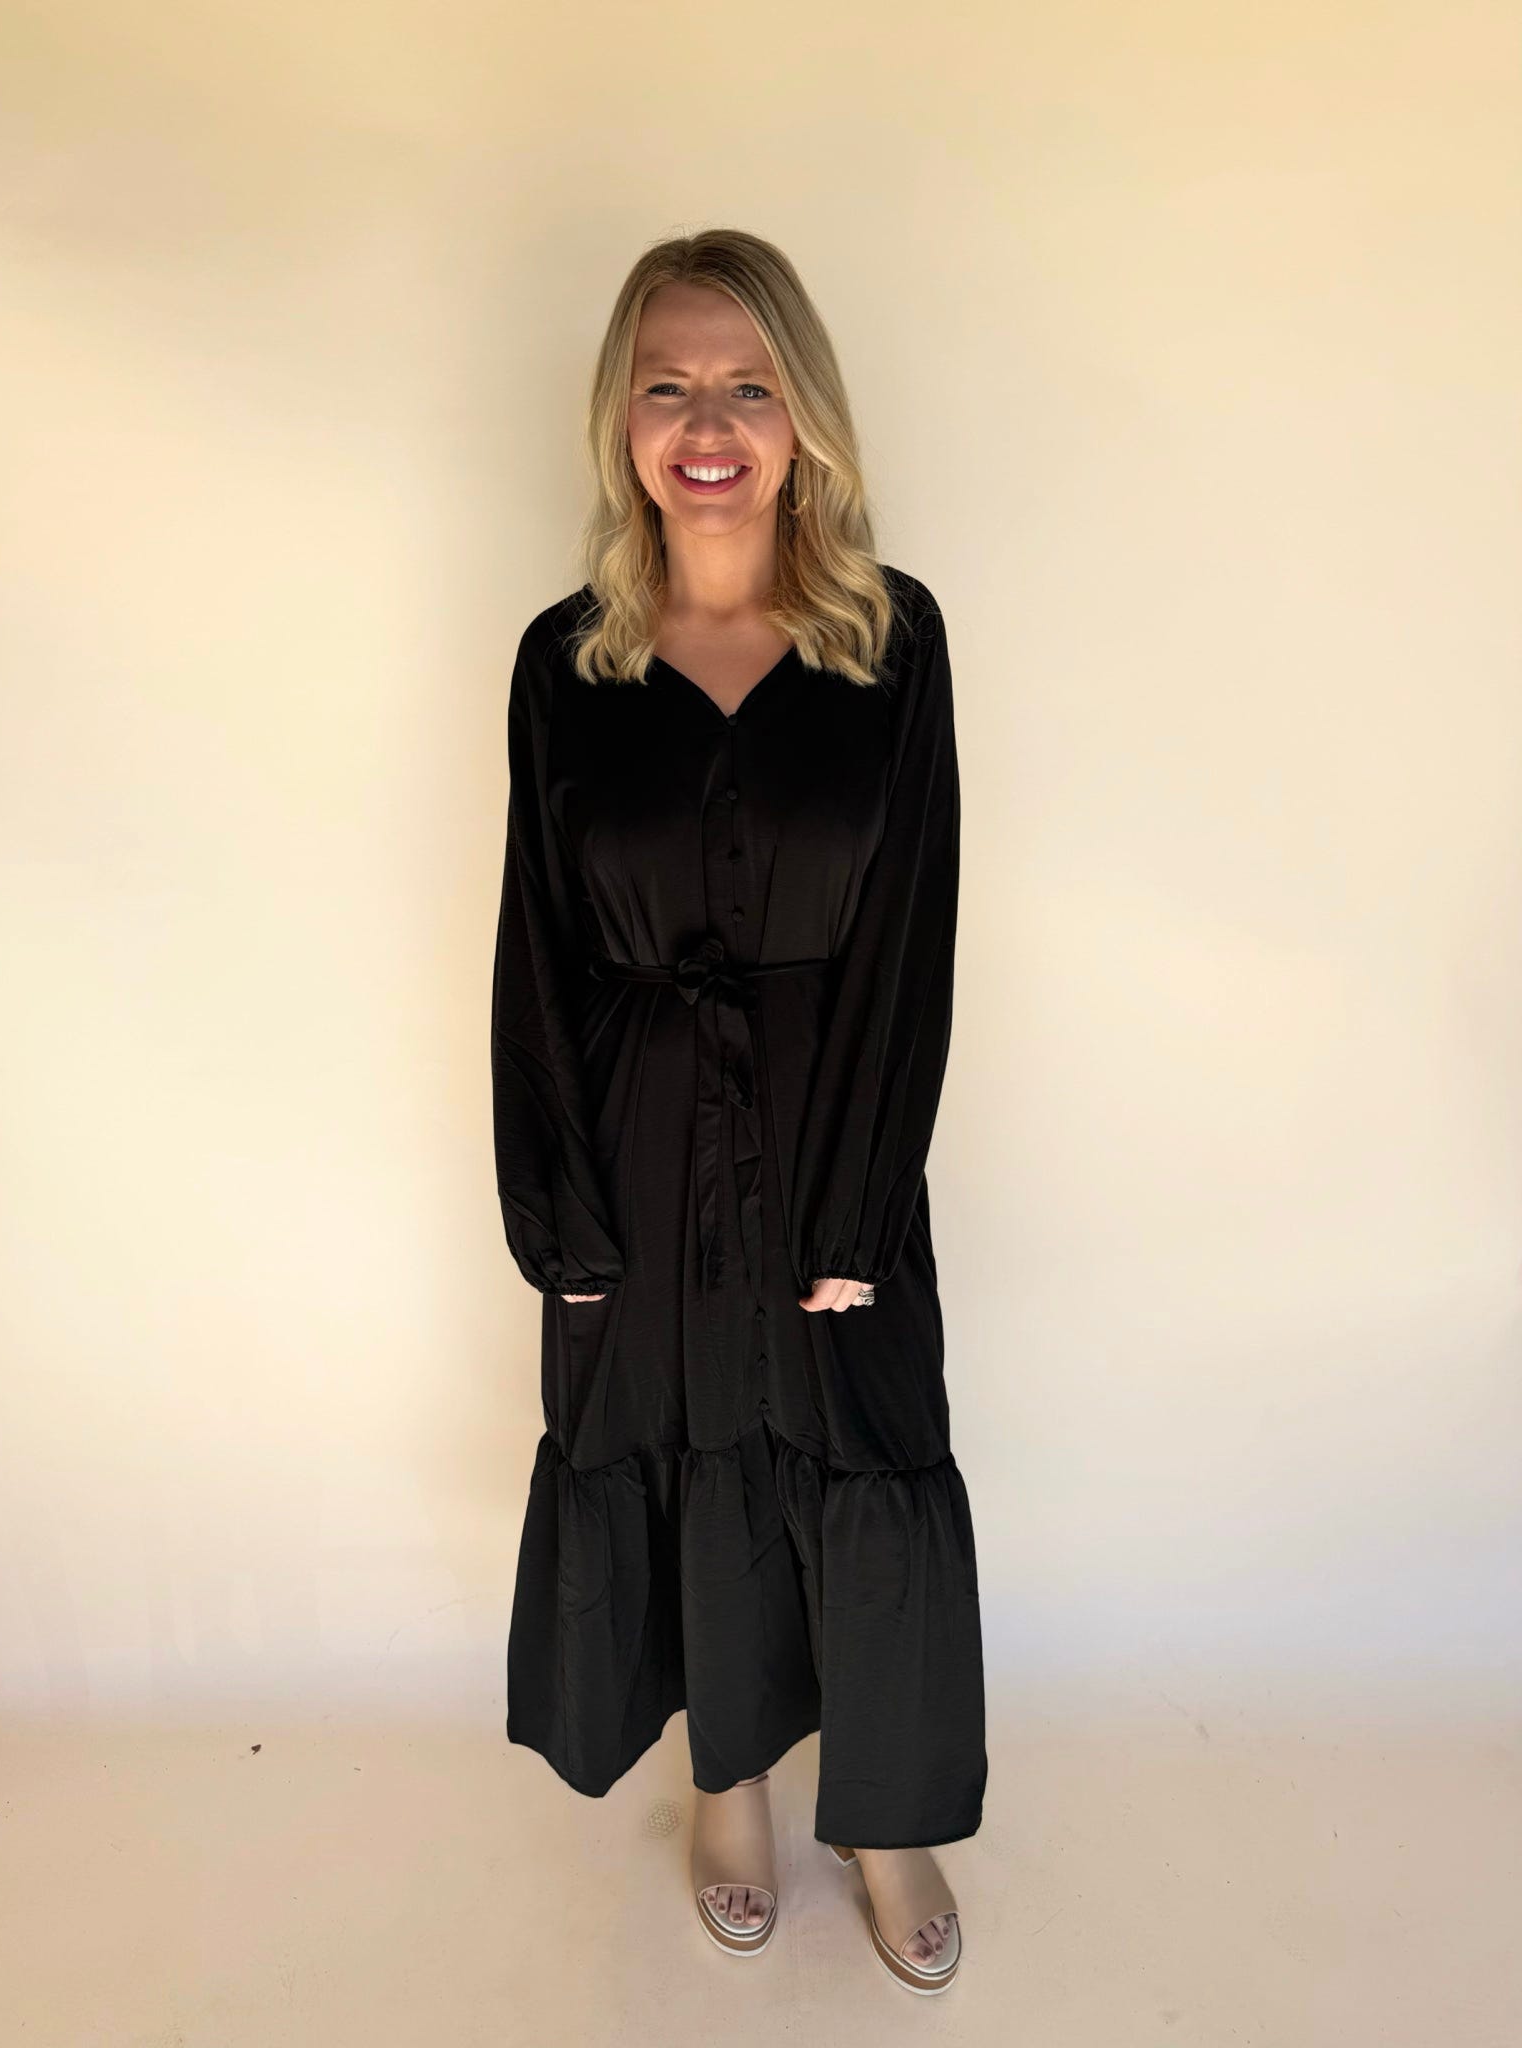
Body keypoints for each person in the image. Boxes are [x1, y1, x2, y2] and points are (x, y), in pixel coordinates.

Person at [492, 227, 987, 1995]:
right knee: (690, 1453)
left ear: (803, 416)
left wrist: (857, 1207)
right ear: (623, 419)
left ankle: (890, 1808)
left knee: (858, 1453)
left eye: (747, 384)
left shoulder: (888, 642)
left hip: (832, 1129)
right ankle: (726, 1790)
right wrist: (559, 1220)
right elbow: (535, 959)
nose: (709, 422)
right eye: (669, 384)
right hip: (634, 1141)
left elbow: (912, 941)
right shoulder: (568, 664)